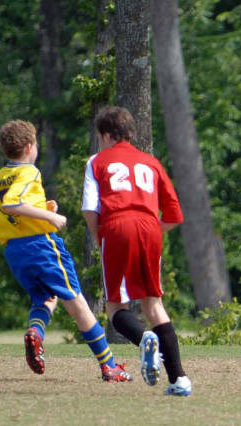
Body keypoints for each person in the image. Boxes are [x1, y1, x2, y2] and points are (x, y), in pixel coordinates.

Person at [0, 120, 132, 383]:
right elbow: (12, 204)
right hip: (41, 246)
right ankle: (109, 365)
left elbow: (9, 211)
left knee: (45, 297)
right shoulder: (28, 171)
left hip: (15, 251)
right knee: (78, 304)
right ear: (29, 147)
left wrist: (43, 208)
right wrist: (50, 217)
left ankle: (35, 332)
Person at [81, 106, 191, 396]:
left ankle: (144, 340)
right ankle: (179, 379)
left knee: (115, 307)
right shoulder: (151, 162)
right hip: (150, 226)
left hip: (117, 225)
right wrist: (150, 231)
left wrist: (101, 238)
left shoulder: (97, 161)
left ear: (106, 135)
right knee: (154, 305)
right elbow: (175, 216)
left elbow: (90, 209)